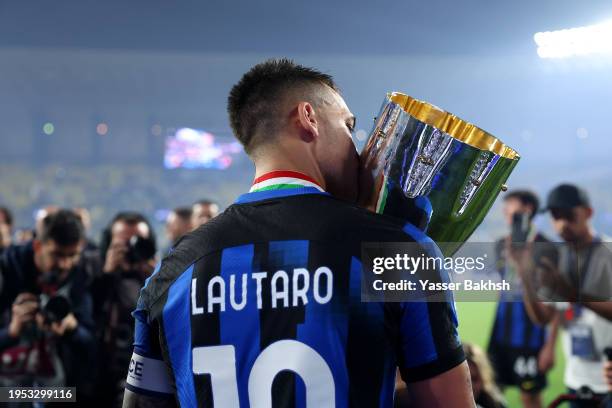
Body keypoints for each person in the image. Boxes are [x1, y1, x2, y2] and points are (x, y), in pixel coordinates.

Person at [123, 59, 474, 407]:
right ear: (308, 119)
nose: (358, 150)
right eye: (348, 127)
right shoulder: (398, 251)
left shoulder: (171, 273)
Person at [509, 183, 612, 407]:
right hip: (576, 379)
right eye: (556, 217)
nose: (562, 224)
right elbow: (543, 317)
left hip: (608, 379)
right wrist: (524, 273)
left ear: (588, 213)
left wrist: (572, 294)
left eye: (569, 216)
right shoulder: (556, 258)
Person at [0, 209, 96, 403]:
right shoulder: (6, 271)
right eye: (57, 254)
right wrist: (12, 331)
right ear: (37, 246)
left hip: (59, 393)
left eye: (73, 255)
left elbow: (92, 344)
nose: (65, 264)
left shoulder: (79, 276)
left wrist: (72, 328)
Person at [487, 190, 558, 408]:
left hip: (531, 338)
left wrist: (550, 346)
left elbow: (556, 303)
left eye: (510, 207)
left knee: (529, 397)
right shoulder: (501, 245)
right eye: (505, 208)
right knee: (491, 392)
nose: (505, 211)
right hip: (499, 336)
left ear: (527, 210)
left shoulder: (547, 248)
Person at [94, 212, 157, 407]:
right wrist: (107, 274)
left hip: (147, 371)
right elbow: (88, 311)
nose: (132, 248)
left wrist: (157, 277)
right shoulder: (91, 271)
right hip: (102, 374)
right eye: (124, 243)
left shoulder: (159, 277)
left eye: (138, 242)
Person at [464, 343, 506, 408]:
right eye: (464, 380)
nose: (470, 386)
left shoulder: (495, 403)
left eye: (474, 379)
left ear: (484, 379)